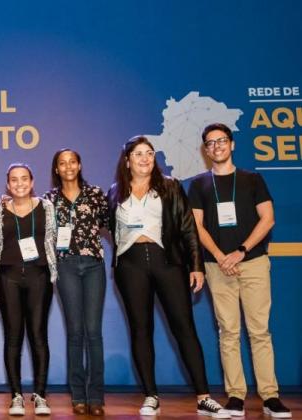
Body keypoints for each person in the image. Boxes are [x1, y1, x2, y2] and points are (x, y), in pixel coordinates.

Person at [107, 136, 229, 418]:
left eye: (149, 153)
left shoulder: (171, 186)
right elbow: (100, 220)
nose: (145, 158)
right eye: (138, 154)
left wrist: (196, 265)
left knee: (184, 328)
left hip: (169, 264)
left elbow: (188, 228)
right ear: (127, 160)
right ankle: (151, 396)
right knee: (140, 330)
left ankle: (204, 396)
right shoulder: (115, 192)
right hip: (130, 266)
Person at [187, 123, 291, 418]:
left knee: (259, 332)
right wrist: (221, 257)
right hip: (217, 266)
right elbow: (197, 225)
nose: (217, 146)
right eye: (210, 143)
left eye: (222, 141)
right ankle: (235, 396)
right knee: (228, 332)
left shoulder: (252, 179)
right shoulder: (198, 185)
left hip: (254, 262)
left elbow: (267, 219)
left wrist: (240, 251)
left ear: (232, 145)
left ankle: (270, 396)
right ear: (205, 150)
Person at [0, 163, 58, 416]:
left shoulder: (47, 207)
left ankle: (40, 394)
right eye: (14, 180)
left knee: (38, 335)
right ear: (8, 184)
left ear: (32, 181)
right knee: (13, 336)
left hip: (39, 277)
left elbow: (52, 239)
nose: (19, 184)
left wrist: (54, 272)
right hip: (8, 279)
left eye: (24, 179)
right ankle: (16, 395)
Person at [45, 149, 109, 416]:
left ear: (79, 165)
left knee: (93, 331)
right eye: (62, 163)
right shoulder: (48, 199)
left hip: (94, 265)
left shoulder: (96, 194)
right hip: (66, 266)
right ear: (56, 169)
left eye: (72, 162)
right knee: (75, 332)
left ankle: (96, 397)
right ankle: (78, 395)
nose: (68, 166)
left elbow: (111, 222)